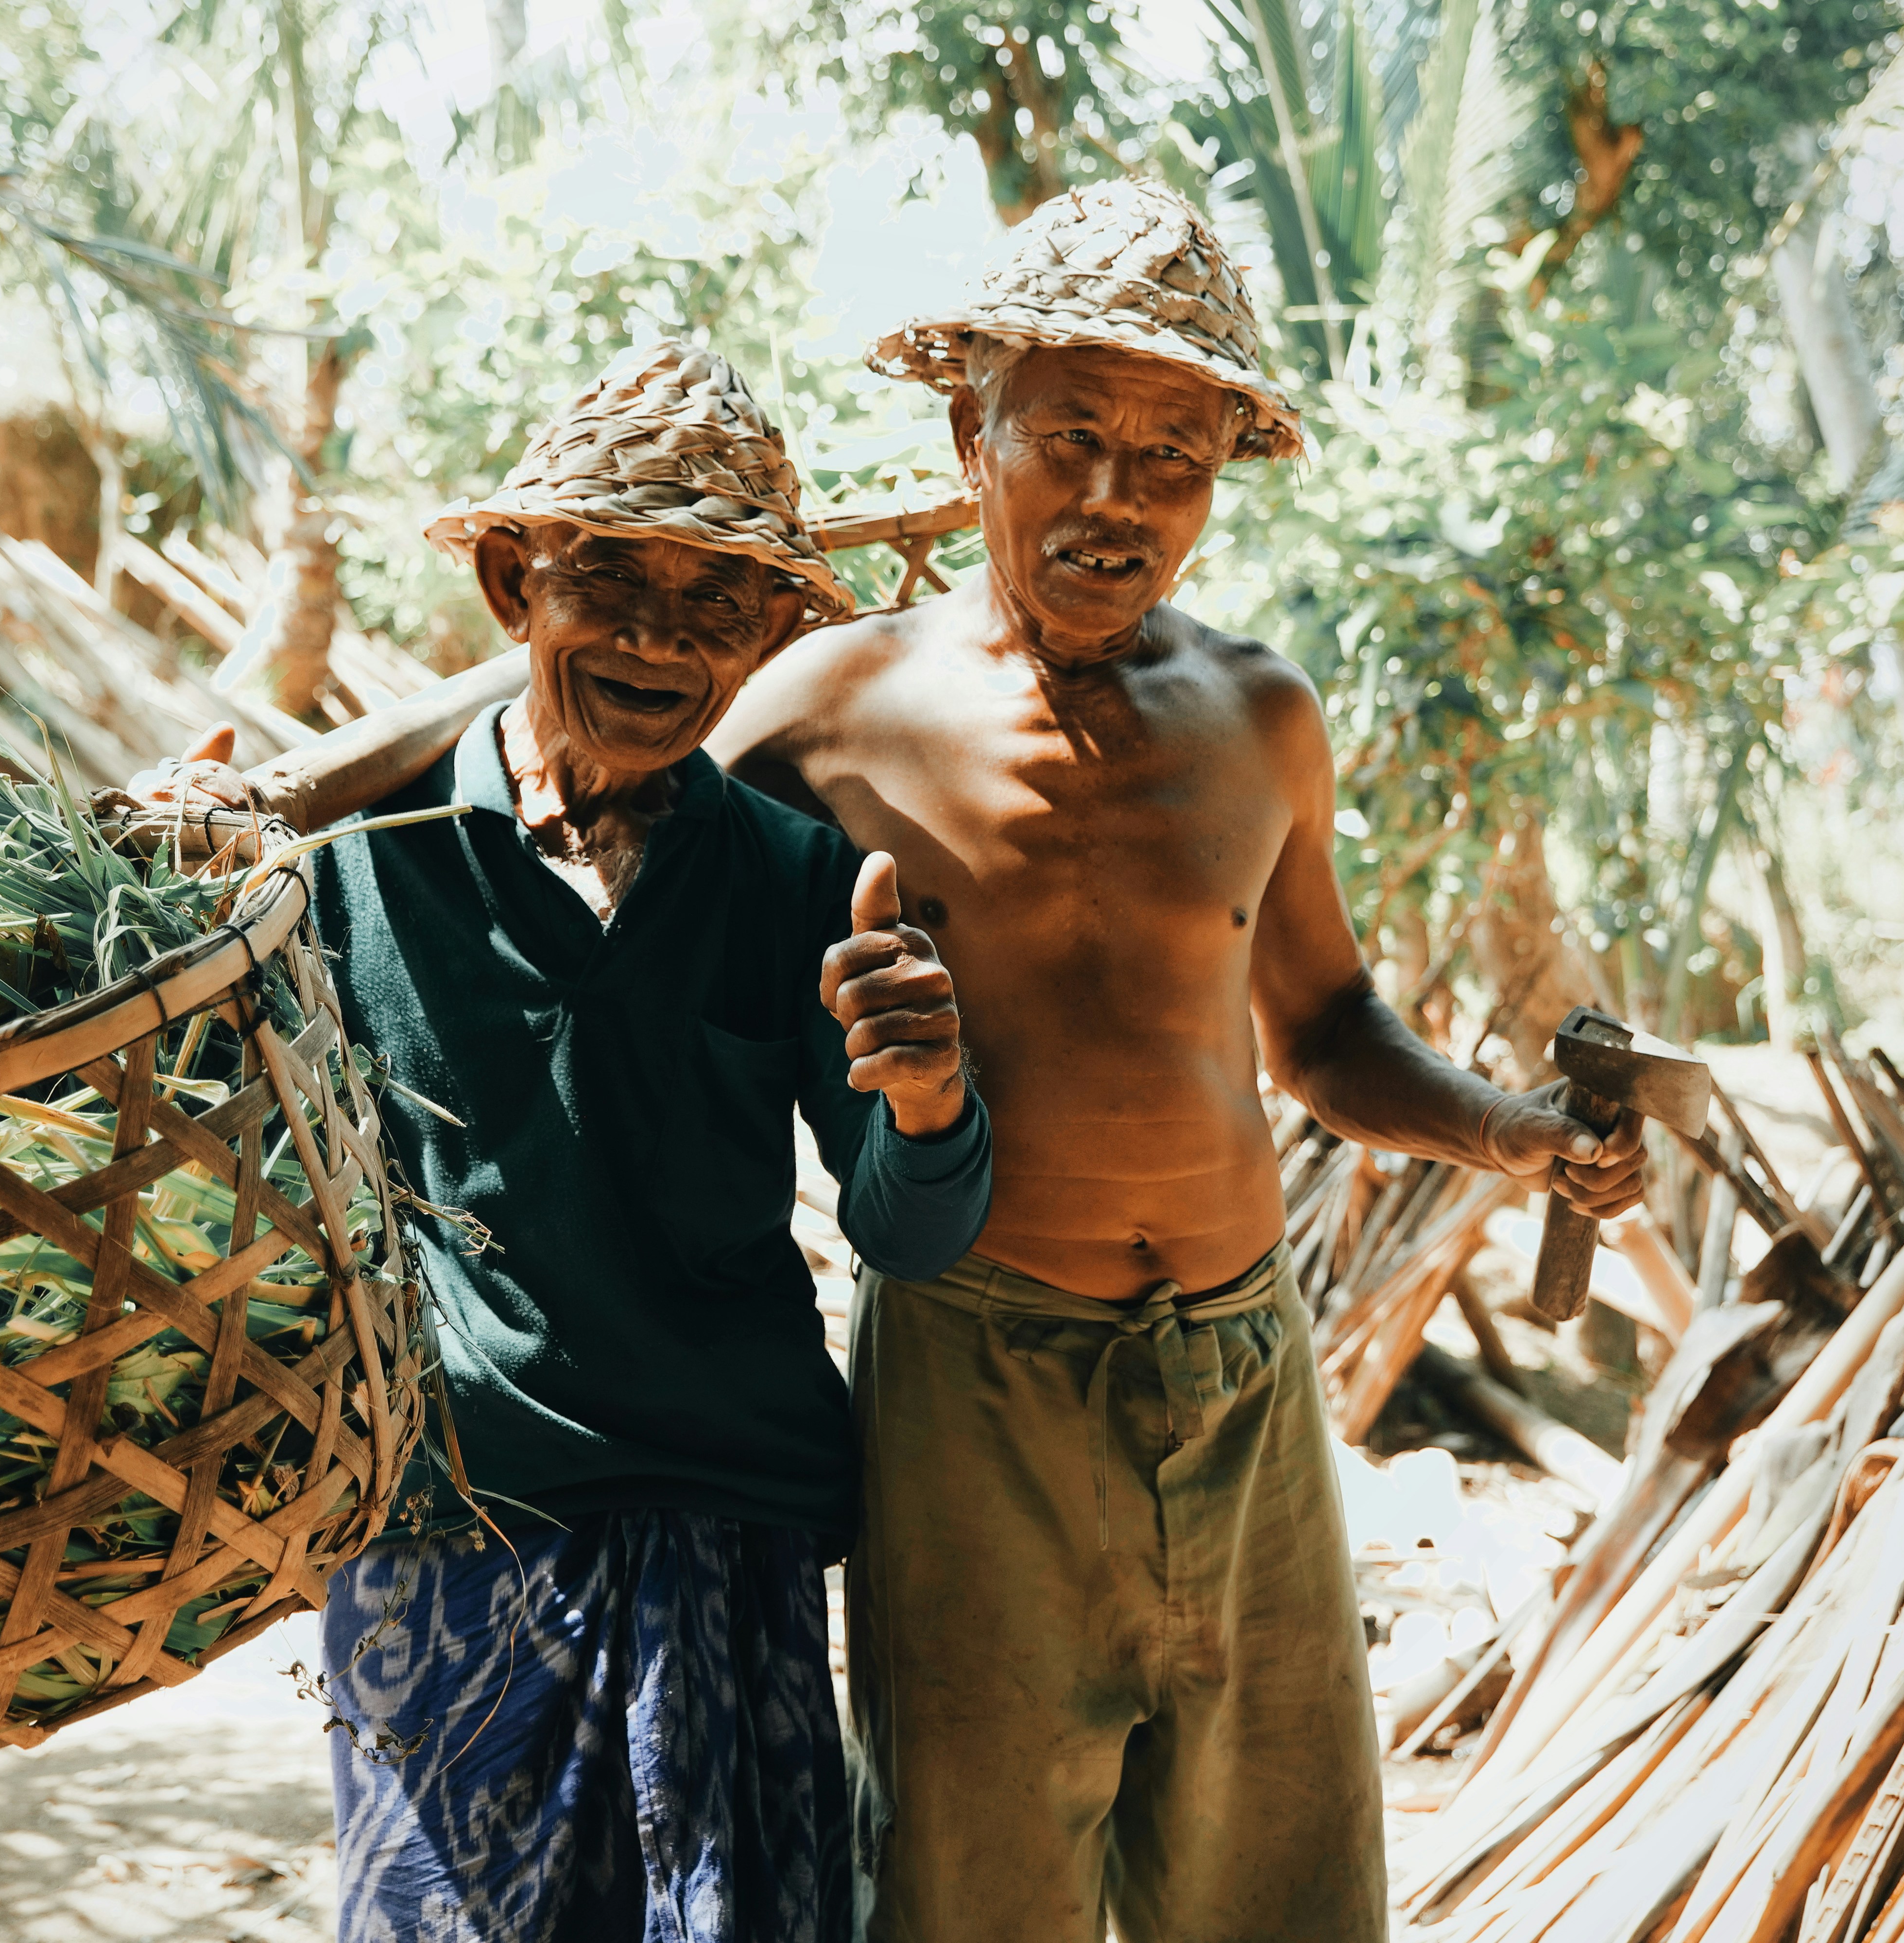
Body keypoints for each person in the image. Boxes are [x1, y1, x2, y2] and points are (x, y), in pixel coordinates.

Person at [698, 181, 1648, 1943]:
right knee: (974, 1888)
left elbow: (1324, 1029)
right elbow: (603, 858)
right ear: (969, 431)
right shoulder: (830, 710)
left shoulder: (1261, 715)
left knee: (1276, 1878)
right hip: (975, 1381)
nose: (1118, 500)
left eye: (1175, 460)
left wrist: (1516, 1136)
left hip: (1243, 1372)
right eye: (1070, 440)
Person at [151, 341, 994, 1943]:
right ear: (507, 582)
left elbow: (906, 1232)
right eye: (608, 576)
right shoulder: (341, 880)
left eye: (718, 604)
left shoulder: (801, 883)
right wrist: (157, 899)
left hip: (724, 1532)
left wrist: (931, 1103)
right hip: (449, 1532)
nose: (659, 640)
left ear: (772, 637)